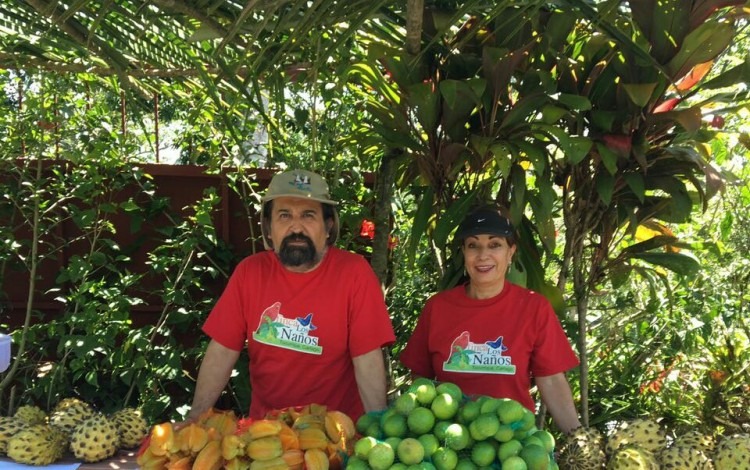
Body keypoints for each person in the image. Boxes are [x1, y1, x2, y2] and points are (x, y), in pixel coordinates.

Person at [186, 169, 396, 422]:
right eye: (284, 215)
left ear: (328, 226)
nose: (296, 227)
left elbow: (367, 359)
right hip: (266, 435)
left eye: (308, 215)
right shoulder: (250, 273)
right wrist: (195, 418)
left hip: (337, 434)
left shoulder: (354, 273)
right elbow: (222, 351)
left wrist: (377, 430)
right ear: (268, 227)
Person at [399, 205, 581, 433]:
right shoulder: (438, 307)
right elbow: (420, 378)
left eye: (494, 245)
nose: (483, 255)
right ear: (464, 252)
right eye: (473, 245)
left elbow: (552, 380)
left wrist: (578, 440)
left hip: (513, 443)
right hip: (450, 441)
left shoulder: (533, 308)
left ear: (510, 252)